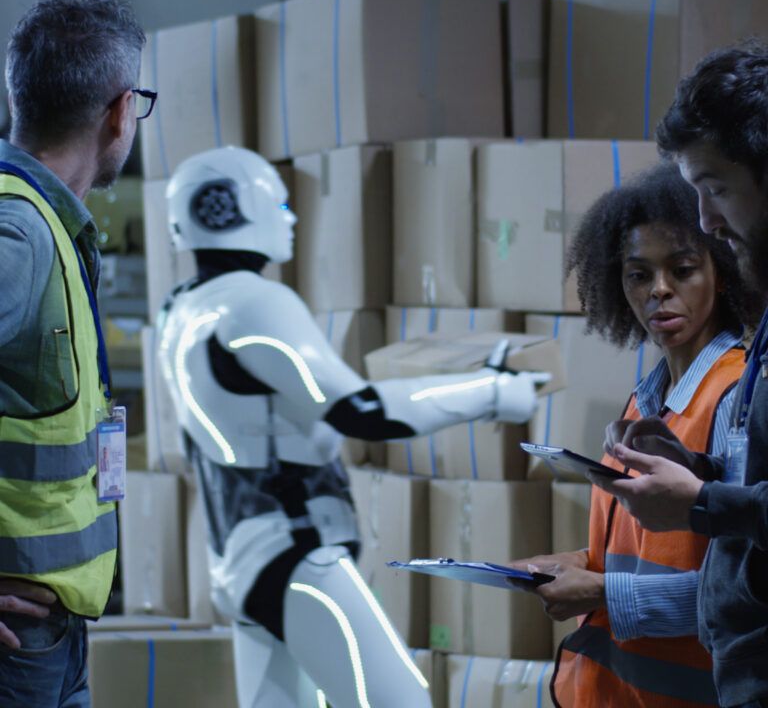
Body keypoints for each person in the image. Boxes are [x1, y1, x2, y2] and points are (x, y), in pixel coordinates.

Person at [156, 145, 549, 708]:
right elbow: (362, 411)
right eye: (280, 203)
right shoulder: (253, 303)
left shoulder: (181, 309)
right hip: (292, 549)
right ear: (228, 209)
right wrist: (493, 391)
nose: (290, 219)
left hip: (238, 558)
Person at [509, 163, 760, 707]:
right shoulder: (644, 401)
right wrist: (577, 563)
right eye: (638, 275)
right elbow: (652, 550)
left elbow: (744, 588)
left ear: (721, 271)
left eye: (683, 270)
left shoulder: (737, 401)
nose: (660, 291)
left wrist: (600, 591)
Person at [589, 42, 768, 708]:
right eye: (638, 276)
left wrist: (699, 500)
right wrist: (699, 471)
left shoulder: (731, 380)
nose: (709, 220)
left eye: (716, 189)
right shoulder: (648, 399)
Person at [0, 0, 148, 707]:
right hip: (15, 646)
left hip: (49, 632)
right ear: (121, 111)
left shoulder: (50, 228)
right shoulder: (20, 234)